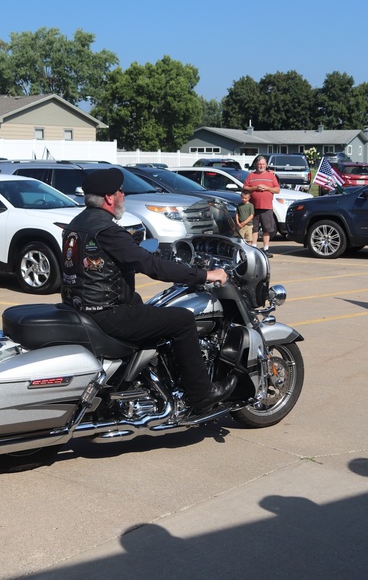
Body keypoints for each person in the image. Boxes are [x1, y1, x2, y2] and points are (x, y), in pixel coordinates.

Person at [60, 167, 237, 411]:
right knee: (183, 319)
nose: (124, 196)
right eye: (121, 191)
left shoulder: (76, 224)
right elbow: (151, 266)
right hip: (106, 314)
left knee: (142, 304)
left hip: (81, 308)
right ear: (110, 198)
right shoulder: (108, 231)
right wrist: (204, 274)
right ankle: (202, 394)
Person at [243, 155, 280, 255]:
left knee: (266, 229)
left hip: (267, 207)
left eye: (263, 164)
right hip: (253, 207)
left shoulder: (271, 176)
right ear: (256, 165)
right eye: (259, 164)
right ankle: (254, 248)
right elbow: (245, 188)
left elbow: (277, 190)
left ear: (266, 165)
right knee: (254, 228)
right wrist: (255, 188)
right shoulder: (251, 176)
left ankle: (266, 249)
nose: (261, 166)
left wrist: (266, 188)